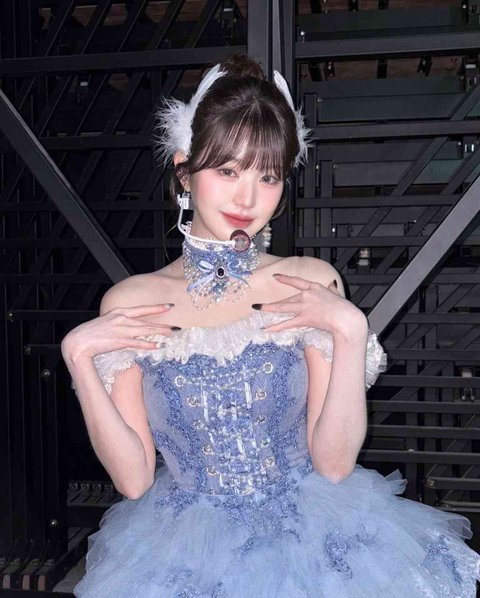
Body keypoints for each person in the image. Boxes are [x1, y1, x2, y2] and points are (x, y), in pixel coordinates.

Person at [61, 54, 480, 597]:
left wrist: (350, 331)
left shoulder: (307, 282)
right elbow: (134, 479)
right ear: (184, 171)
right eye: (227, 171)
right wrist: (79, 358)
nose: (247, 198)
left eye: (268, 176)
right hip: (183, 549)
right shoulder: (131, 301)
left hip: (313, 544)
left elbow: (334, 465)